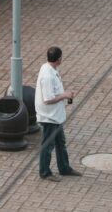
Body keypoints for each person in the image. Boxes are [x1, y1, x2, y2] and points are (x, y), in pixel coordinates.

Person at [35, 46, 81, 179]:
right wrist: (65, 95)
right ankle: (45, 172)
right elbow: (48, 99)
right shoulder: (48, 76)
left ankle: (64, 168)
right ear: (59, 59)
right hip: (49, 117)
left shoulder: (48, 67)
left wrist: (64, 94)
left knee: (60, 142)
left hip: (55, 116)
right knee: (48, 145)